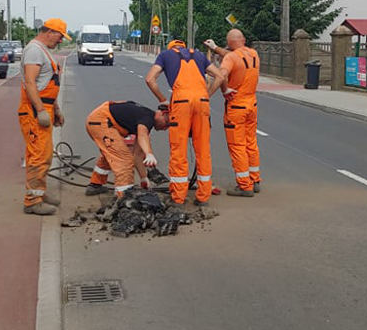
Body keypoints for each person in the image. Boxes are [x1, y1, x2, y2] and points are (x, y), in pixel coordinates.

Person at [145, 39, 224, 208]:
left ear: (171, 48)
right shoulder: (200, 55)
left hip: (181, 102)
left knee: (179, 149)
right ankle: (203, 197)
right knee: (203, 149)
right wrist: (207, 95)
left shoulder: (165, 55)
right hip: (202, 101)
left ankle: (178, 197)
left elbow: (150, 79)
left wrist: (163, 100)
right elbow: (220, 76)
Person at [18, 19, 70, 215]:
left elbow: (48, 83)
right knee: (38, 154)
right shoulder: (34, 50)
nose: (60, 41)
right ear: (49, 32)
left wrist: (55, 110)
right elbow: (30, 83)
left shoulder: (43, 50)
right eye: (59, 36)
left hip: (44, 107)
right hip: (33, 110)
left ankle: (40, 192)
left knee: (45, 154)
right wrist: (40, 110)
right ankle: (32, 201)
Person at [205, 29, 262, 197]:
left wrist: (210, 95)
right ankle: (254, 179)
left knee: (237, 146)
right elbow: (236, 57)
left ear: (229, 43)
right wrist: (215, 48)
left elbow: (221, 76)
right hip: (252, 104)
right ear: (243, 40)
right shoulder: (253, 54)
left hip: (236, 107)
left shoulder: (230, 58)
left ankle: (245, 186)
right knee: (251, 143)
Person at [85, 101, 170, 198]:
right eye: (166, 123)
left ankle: (95, 185)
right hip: (101, 121)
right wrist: (149, 154)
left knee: (112, 153)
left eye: (168, 126)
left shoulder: (144, 119)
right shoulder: (147, 119)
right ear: (161, 114)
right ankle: (124, 197)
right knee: (124, 159)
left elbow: (138, 155)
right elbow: (142, 135)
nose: (165, 128)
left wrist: (143, 178)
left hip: (99, 119)